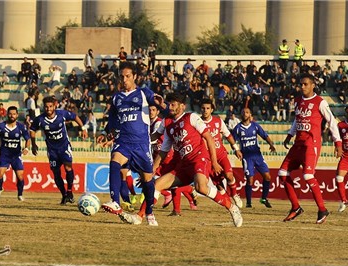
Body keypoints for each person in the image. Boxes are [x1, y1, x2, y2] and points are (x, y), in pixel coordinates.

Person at [128, 93, 243, 227]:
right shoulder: (168, 124)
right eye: (169, 104)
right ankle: (139, 217)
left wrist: (215, 162)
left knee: (201, 187)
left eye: (173, 104)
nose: (170, 106)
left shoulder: (191, 117)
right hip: (183, 165)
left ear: (182, 106)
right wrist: (151, 171)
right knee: (155, 185)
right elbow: (163, 151)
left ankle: (232, 208)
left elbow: (209, 139)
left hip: (199, 159)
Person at [98, 61, 164, 226]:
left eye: (128, 76)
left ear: (135, 77)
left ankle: (149, 212)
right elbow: (112, 120)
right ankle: (115, 201)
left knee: (148, 181)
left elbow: (157, 102)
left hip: (141, 143)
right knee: (114, 161)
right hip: (124, 141)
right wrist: (107, 132)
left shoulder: (143, 93)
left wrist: (160, 102)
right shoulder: (116, 98)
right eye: (122, 77)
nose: (124, 79)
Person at [278, 73, 343, 224]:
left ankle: (322, 209)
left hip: (311, 144)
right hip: (298, 144)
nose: (302, 87)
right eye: (301, 84)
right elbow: (297, 119)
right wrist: (290, 134)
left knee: (307, 176)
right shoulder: (298, 100)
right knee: (282, 173)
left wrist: (338, 143)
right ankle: (295, 207)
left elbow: (332, 122)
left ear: (313, 85)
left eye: (305, 84)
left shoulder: (320, 102)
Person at [29, 96, 88, 204]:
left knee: (68, 167)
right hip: (52, 150)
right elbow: (32, 129)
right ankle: (64, 195)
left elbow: (75, 117)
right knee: (56, 173)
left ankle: (69, 191)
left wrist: (83, 128)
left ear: (54, 106)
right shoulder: (40, 119)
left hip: (64, 146)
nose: (48, 109)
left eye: (50, 106)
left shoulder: (62, 114)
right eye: (46, 107)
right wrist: (33, 144)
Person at [200, 98, 243, 208]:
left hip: (220, 155)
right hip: (208, 158)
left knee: (229, 175)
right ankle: (228, 203)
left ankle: (234, 194)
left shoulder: (218, 121)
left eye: (208, 108)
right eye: (203, 108)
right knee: (218, 184)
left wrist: (236, 149)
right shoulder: (197, 123)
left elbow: (228, 135)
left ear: (212, 110)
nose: (205, 110)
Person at [232, 107, 276, 208]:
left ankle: (264, 199)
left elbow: (264, 135)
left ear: (250, 115)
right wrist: (236, 150)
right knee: (250, 180)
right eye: (243, 112)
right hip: (247, 157)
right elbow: (232, 141)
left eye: (247, 112)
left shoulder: (255, 126)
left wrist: (271, 144)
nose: (245, 114)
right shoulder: (237, 128)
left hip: (258, 155)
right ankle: (248, 203)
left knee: (268, 177)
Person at [0, 106, 31, 201]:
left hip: (16, 155)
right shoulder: (0, 126)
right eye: (10, 114)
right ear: (7, 114)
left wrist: (27, 148)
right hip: (4, 155)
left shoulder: (21, 127)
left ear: (17, 115)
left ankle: (20, 194)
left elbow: (28, 139)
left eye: (14, 114)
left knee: (20, 175)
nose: (12, 116)